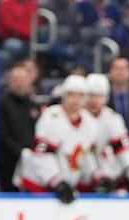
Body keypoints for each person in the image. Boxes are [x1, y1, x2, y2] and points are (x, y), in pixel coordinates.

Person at [16, 74, 99, 202]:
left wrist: (95, 175)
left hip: (66, 183)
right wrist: (56, 180)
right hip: (38, 183)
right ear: (64, 95)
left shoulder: (89, 122)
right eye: (71, 94)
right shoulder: (51, 116)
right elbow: (42, 155)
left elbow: (85, 156)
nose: (75, 100)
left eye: (80, 95)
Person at [84, 73, 129, 192]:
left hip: (106, 178)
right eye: (91, 95)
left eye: (99, 96)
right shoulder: (78, 117)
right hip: (80, 177)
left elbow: (123, 149)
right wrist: (95, 175)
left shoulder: (112, 118)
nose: (94, 100)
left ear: (106, 97)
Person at [0, 63, 39, 191]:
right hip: (9, 162)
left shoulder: (34, 106)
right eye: (15, 79)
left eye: (22, 79)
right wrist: (20, 151)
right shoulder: (2, 104)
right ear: (10, 81)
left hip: (32, 162)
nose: (19, 83)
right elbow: (2, 133)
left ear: (29, 80)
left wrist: (33, 153)